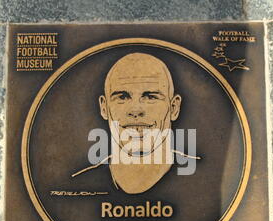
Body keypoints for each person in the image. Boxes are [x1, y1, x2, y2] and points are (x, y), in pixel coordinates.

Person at [72, 53, 199, 194]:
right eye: (122, 97)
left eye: (150, 97)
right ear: (104, 108)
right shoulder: (77, 186)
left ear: (174, 108)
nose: (136, 110)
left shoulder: (207, 179)